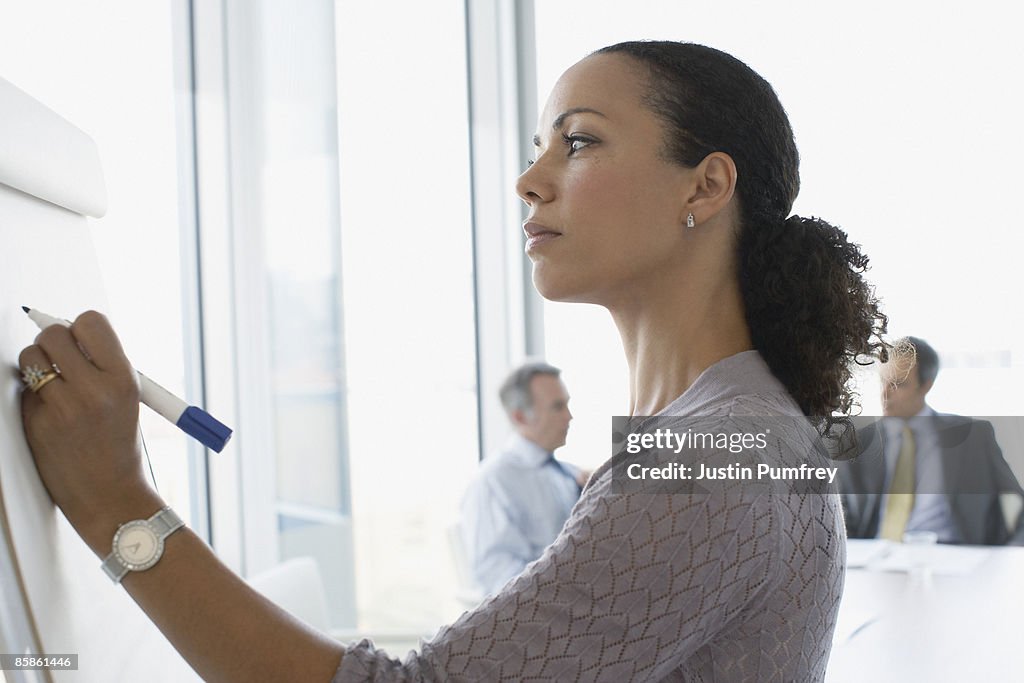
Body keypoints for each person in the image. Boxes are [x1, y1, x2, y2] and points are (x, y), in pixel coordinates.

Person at [18, 41, 886, 681]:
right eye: (539, 145)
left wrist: (116, 504)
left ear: (704, 186)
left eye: (577, 142)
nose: (531, 179)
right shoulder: (733, 430)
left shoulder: (709, 456)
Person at [840, 337, 1024, 545]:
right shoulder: (857, 443)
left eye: (898, 385)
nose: (885, 394)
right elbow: (839, 516)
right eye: (883, 382)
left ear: (926, 386)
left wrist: (1012, 554)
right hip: (878, 555)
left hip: (954, 553)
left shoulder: (975, 436)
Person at [460, 361, 584, 595]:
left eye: (567, 404)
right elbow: (497, 575)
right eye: (558, 407)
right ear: (520, 417)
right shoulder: (493, 481)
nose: (570, 416)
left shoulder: (568, 475)